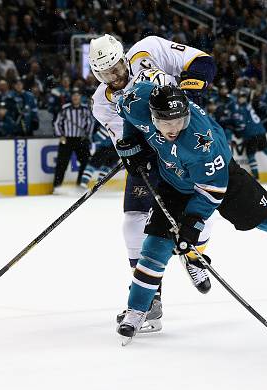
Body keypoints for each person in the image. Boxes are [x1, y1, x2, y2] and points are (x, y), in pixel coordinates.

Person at [114, 82, 267, 340]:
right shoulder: (137, 101)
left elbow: (211, 193)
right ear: (152, 116)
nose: (174, 129)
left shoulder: (202, 145)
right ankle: (137, 311)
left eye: (179, 121)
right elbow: (127, 115)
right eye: (166, 123)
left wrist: (191, 225)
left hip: (219, 179)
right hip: (173, 182)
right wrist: (130, 142)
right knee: (156, 245)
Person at [88, 34, 217, 332]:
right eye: (107, 74)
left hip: (188, 144)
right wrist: (132, 152)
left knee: (202, 209)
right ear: (98, 74)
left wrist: (190, 93)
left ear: (123, 57)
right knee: (133, 222)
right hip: (154, 156)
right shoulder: (101, 103)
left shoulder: (149, 50)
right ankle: (150, 301)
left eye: (118, 67)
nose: (116, 76)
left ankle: (193, 256)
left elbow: (202, 63)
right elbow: (128, 139)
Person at [232, 87, 267, 179]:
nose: (241, 98)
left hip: (252, 133)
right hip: (261, 130)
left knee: (250, 155)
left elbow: (241, 125)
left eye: (242, 97)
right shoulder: (249, 106)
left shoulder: (242, 109)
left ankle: (256, 176)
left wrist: (238, 131)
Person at [52, 88, 93, 192]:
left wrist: (87, 134)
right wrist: (61, 135)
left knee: (85, 162)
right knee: (62, 164)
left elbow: (90, 122)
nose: (75, 97)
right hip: (67, 140)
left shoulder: (85, 109)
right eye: (74, 95)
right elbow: (57, 123)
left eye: (77, 95)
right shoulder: (65, 109)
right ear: (71, 97)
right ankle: (57, 187)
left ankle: (80, 186)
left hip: (81, 139)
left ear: (80, 97)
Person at [79, 123, 119, 189]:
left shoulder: (110, 122)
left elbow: (98, 138)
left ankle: (83, 184)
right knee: (107, 167)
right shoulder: (122, 122)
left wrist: (91, 140)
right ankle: (100, 185)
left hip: (105, 149)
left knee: (91, 166)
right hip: (117, 150)